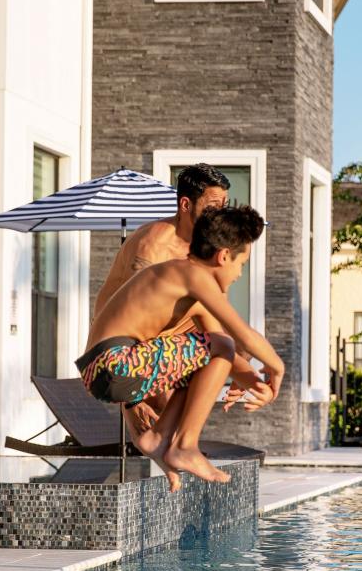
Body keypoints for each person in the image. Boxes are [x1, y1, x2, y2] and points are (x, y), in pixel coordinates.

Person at [77, 205, 284, 491]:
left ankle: (158, 438)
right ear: (223, 256)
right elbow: (242, 336)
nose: (238, 274)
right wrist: (277, 368)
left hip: (100, 369)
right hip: (113, 363)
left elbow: (223, 356)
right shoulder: (191, 274)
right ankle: (185, 445)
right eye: (241, 265)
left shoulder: (183, 281)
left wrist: (255, 384)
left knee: (206, 356)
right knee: (222, 343)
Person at [94, 163, 273, 435]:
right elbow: (130, 323)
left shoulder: (207, 247)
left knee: (238, 344)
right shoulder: (154, 247)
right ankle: (172, 453)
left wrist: (243, 367)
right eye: (212, 207)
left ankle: (178, 453)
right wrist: (131, 401)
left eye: (223, 206)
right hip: (130, 345)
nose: (218, 215)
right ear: (186, 205)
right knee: (165, 422)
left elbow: (217, 314)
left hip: (176, 332)